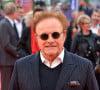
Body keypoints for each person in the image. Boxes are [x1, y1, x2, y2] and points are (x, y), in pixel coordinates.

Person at [9, 11, 99, 90]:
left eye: (55, 35)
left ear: (64, 36)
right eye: (44, 36)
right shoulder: (21, 67)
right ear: (37, 39)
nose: (50, 40)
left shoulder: (84, 66)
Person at [0, 2, 22, 90]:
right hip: (6, 62)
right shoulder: (4, 24)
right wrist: (18, 53)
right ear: (14, 13)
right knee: (6, 85)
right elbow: (6, 44)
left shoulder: (8, 23)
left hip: (10, 61)